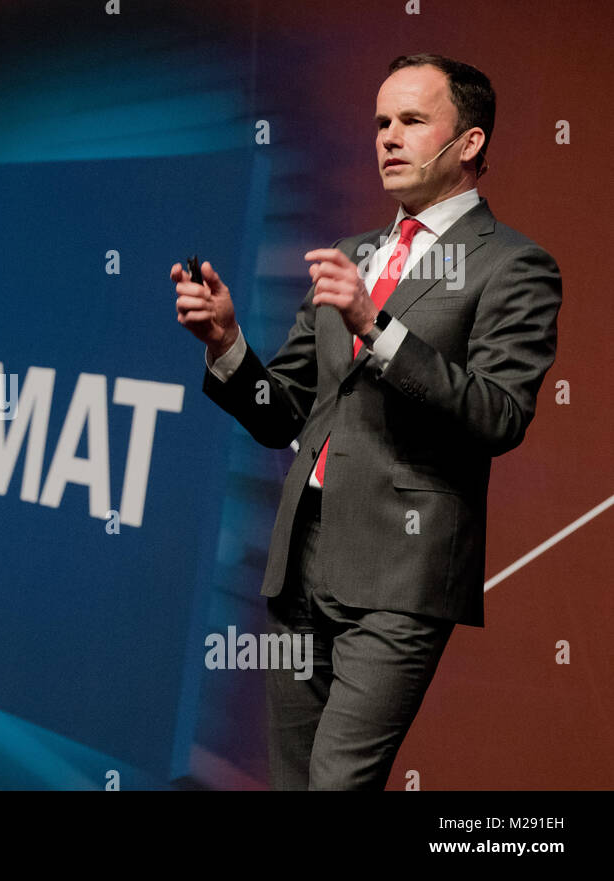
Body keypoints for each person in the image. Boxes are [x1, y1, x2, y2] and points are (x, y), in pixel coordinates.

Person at [171, 53, 561, 790]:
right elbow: (281, 412)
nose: (388, 136)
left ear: (469, 143)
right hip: (300, 565)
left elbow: (499, 413)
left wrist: (377, 326)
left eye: (412, 121)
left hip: (398, 574)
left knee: (338, 782)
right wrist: (227, 344)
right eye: (381, 121)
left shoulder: (513, 266)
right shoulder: (350, 257)